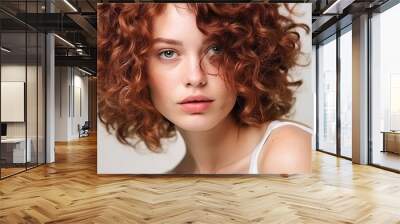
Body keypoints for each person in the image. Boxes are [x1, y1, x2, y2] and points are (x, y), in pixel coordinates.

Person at [97, 3, 312, 174]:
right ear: (134, 68)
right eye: (168, 53)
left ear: (248, 56)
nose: (195, 77)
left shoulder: (287, 155)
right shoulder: (173, 181)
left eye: (215, 49)